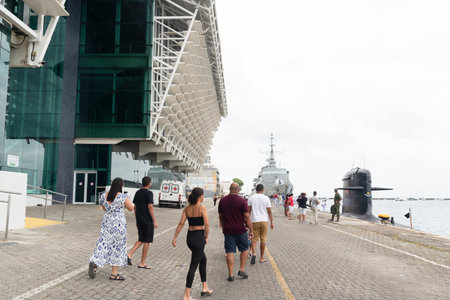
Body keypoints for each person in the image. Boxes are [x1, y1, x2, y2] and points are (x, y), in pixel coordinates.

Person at [88, 177, 134, 281]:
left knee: (103, 243)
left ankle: (95, 261)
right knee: (117, 247)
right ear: (121, 186)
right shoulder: (122, 197)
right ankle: (114, 273)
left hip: (107, 222)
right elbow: (131, 208)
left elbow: (104, 208)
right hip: (118, 224)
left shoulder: (104, 195)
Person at [172, 187, 213, 299]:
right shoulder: (202, 207)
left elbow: (181, 223)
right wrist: (206, 236)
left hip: (190, 238)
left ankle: (205, 287)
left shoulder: (187, 208)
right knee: (193, 266)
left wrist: (175, 237)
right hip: (199, 238)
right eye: (203, 195)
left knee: (203, 260)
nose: (203, 197)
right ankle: (186, 295)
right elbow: (207, 225)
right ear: (200, 196)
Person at [218, 182, 253, 282]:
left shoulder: (222, 201)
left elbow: (221, 216)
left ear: (230, 189)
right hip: (240, 230)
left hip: (228, 230)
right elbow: (247, 217)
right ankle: (241, 269)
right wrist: (251, 230)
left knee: (229, 251)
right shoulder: (242, 201)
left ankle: (231, 275)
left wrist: (223, 224)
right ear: (238, 190)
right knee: (245, 249)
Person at [127, 176, 158, 269]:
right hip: (147, 220)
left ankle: (129, 255)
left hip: (139, 219)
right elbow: (150, 207)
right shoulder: (149, 193)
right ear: (149, 183)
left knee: (141, 239)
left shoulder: (138, 192)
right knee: (146, 241)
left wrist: (137, 219)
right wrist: (154, 220)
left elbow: (135, 207)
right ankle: (142, 263)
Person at [248, 184, 274, 264]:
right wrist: (272, 222)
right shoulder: (266, 198)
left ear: (256, 189)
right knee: (263, 240)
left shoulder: (251, 198)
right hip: (264, 221)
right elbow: (269, 211)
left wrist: (247, 222)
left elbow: (248, 212)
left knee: (254, 239)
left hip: (254, 221)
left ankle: (254, 253)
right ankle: (261, 258)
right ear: (263, 189)